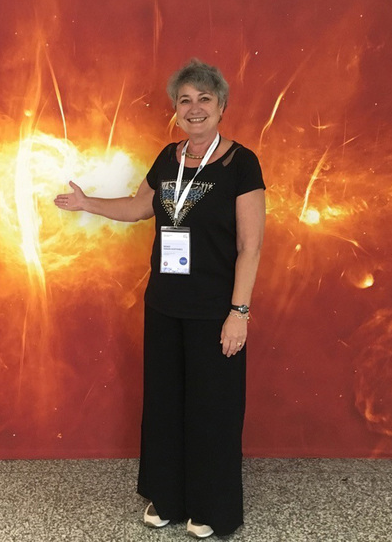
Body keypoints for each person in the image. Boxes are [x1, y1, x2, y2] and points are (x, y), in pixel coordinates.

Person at [54, 58, 266, 538]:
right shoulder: (168, 157)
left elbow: (250, 245)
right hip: (165, 304)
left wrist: (239, 312)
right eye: (185, 101)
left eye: (204, 100)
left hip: (216, 308)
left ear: (221, 106)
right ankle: (168, 496)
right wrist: (88, 203)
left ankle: (212, 507)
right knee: (166, 403)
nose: (194, 109)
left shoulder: (242, 163)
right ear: (176, 109)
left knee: (213, 406)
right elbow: (136, 207)